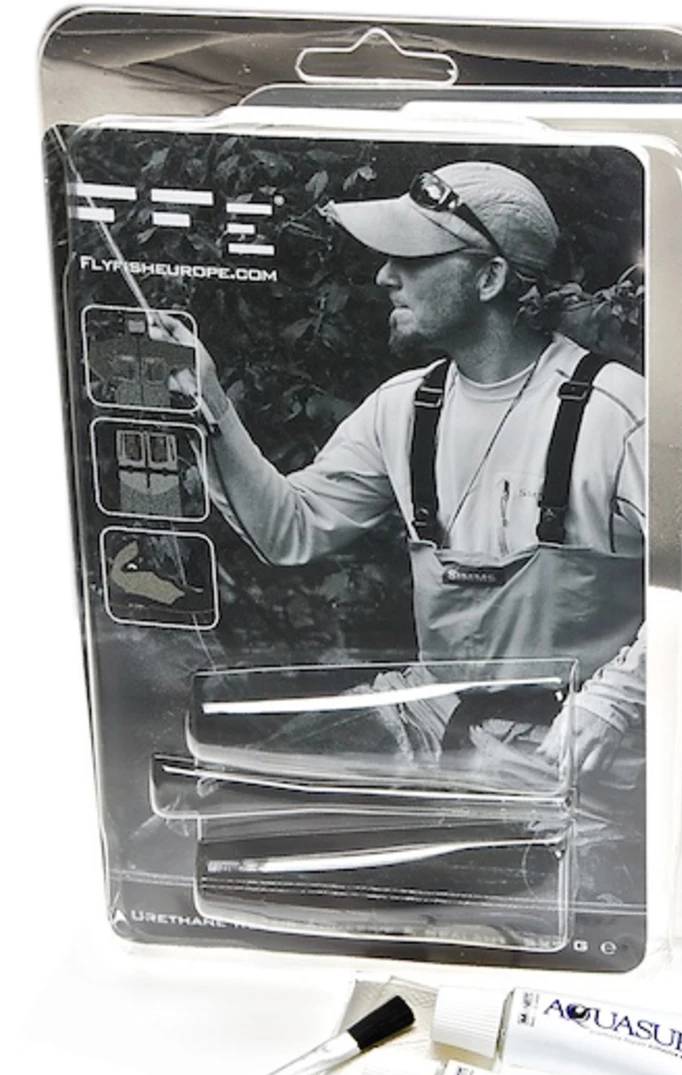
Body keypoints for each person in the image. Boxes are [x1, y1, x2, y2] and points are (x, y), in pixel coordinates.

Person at [158, 160, 645, 780]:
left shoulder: (618, 414)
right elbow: (290, 529)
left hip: (567, 745)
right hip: (430, 711)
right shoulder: (404, 407)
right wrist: (210, 403)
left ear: (490, 278)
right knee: (223, 792)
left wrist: (614, 703)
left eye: (411, 258)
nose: (384, 276)